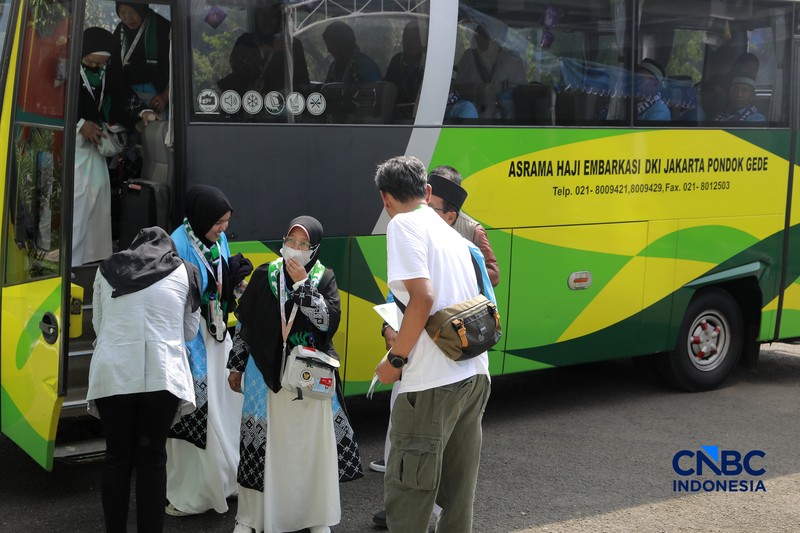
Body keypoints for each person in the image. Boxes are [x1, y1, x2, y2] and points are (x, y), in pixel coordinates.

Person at [370, 166, 498, 528]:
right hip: (474, 375)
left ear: (385, 198)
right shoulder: (452, 234)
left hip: (431, 382)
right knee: (458, 499)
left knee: (410, 495)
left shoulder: (402, 224)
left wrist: (395, 360)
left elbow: (422, 298)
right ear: (426, 190)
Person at [227, 216, 362, 533]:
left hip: (309, 376)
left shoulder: (323, 277)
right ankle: (250, 517)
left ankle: (315, 516)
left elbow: (327, 322)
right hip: (266, 374)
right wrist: (236, 364)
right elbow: (247, 325)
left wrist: (303, 284)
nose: (295, 249)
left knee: (309, 447)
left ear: (313, 248)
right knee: (261, 448)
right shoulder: (265, 275)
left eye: (303, 244)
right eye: (291, 241)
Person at [87, 226, 201, 533]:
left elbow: (99, 325)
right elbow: (189, 332)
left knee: (116, 457)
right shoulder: (186, 271)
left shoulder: (106, 269)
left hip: (113, 374)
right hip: (161, 376)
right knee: (152, 460)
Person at [165, 185, 250, 516]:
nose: (224, 229)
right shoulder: (177, 243)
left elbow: (222, 275)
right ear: (202, 218)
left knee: (227, 407)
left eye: (227, 221)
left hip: (216, 334)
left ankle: (226, 479)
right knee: (199, 412)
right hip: (191, 338)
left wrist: (238, 284)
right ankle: (195, 492)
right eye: (219, 222)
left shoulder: (216, 240)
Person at [73, 27, 157, 266]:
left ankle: (92, 260)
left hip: (95, 148)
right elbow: (54, 103)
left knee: (99, 196)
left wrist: (143, 112)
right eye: (92, 63)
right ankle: (72, 260)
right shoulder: (67, 71)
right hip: (72, 147)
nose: (98, 68)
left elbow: (121, 97)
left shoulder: (107, 73)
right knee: (78, 202)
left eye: (103, 64)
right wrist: (80, 124)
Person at [217, 3, 310, 97]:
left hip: (282, 104)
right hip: (250, 103)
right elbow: (237, 62)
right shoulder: (247, 40)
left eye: (272, 15)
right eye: (263, 15)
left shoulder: (293, 44)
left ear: (279, 18)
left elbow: (302, 82)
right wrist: (266, 49)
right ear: (256, 17)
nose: (267, 20)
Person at [429, 166, 500, 287]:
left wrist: (456, 269)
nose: (426, 211)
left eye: (432, 208)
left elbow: (494, 276)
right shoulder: (419, 222)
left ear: (451, 217)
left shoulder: (473, 230)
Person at [455, 22, 527, 119]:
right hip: (471, 120)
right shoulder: (468, 57)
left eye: (484, 33)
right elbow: (458, 89)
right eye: (477, 32)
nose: (479, 36)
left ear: (495, 36)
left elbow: (521, 96)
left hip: (503, 123)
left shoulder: (512, 60)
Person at [113, 3, 171, 116]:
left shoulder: (163, 28)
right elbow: (113, 68)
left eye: (132, 12)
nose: (128, 18)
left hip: (158, 96)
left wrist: (165, 96)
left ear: (141, 9)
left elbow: (178, 69)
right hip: (128, 95)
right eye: (123, 13)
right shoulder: (120, 31)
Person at [383, 21, 425, 120]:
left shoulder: (428, 62)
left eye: (416, 38)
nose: (411, 42)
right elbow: (387, 90)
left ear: (423, 41)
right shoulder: (397, 60)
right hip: (395, 115)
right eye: (407, 38)